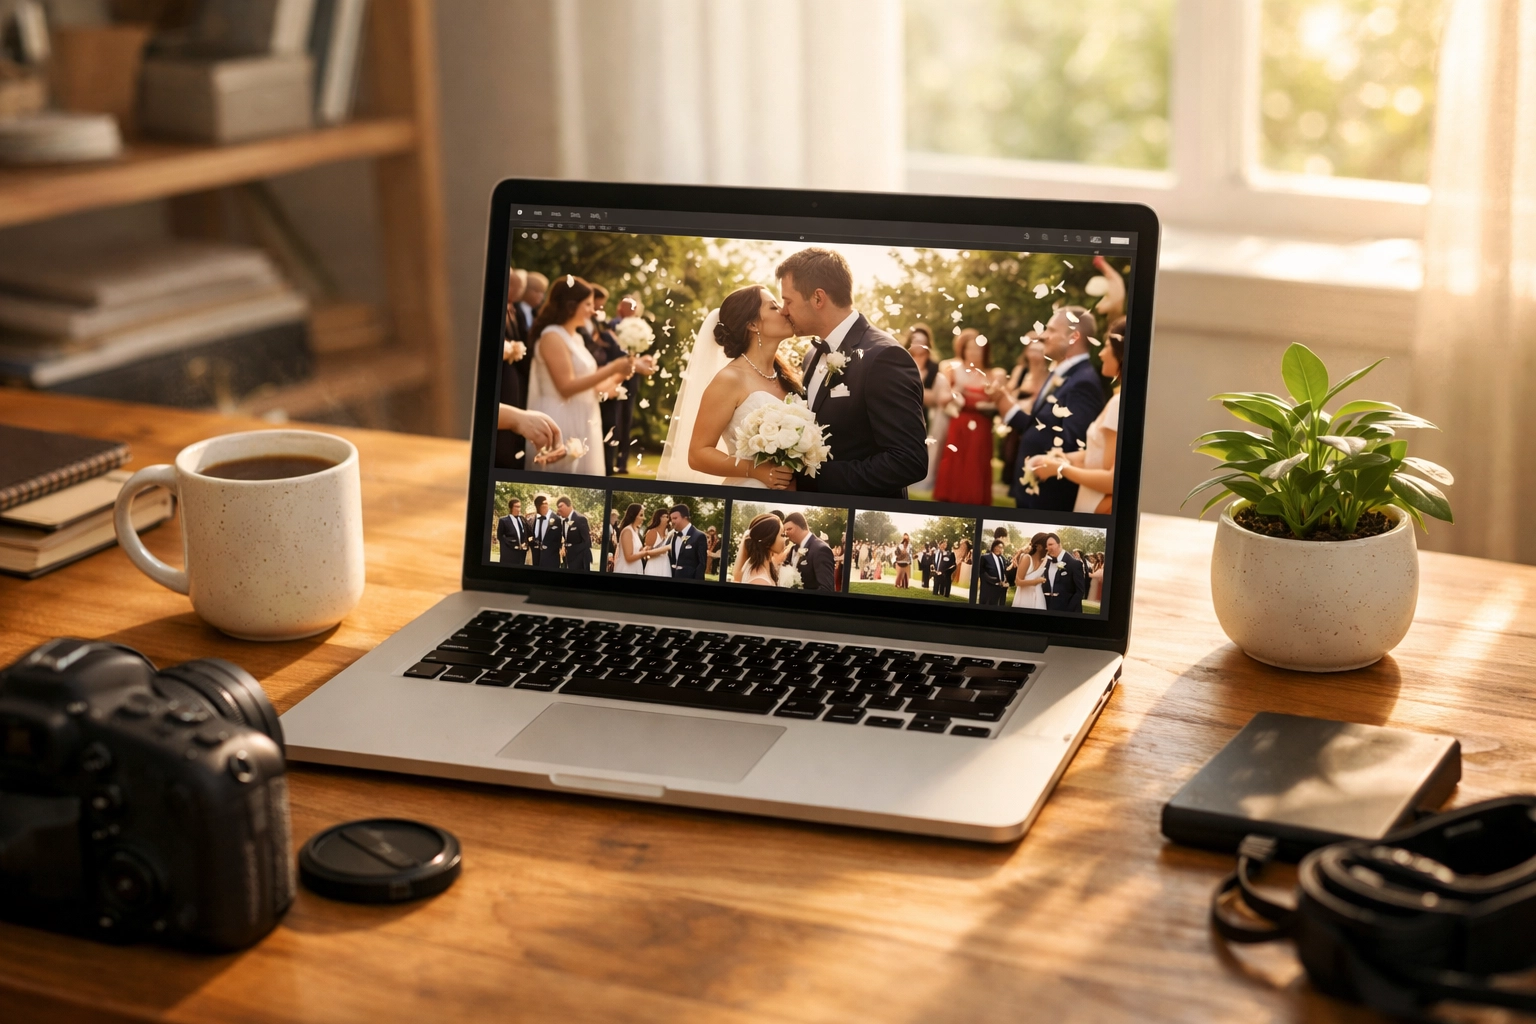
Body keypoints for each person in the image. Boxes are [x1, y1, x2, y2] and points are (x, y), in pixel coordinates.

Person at [774, 248, 928, 498]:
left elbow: (909, 461)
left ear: (818, 298)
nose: (783, 310)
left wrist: (812, 480)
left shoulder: (885, 357)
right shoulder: (812, 355)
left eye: (788, 301)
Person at [667, 285, 801, 488]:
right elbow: (697, 454)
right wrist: (754, 469)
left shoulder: (789, 377)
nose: (784, 311)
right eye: (773, 307)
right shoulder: (729, 379)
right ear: (753, 325)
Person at [992, 306, 1106, 510]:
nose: (1043, 336)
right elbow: (1038, 427)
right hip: (1031, 494)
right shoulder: (1060, 373)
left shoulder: (1083, 383)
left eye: (1052, 330)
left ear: (1073, 337)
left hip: (1049, 498)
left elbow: (1071, 446)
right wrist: (1002, 401)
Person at [526, 275, 635, 475]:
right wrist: (612, 367)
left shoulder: (575, 337)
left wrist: (623, 373)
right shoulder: (552, 336)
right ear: (570, 305)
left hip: (584, 417)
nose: (592, 311)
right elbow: (566, 388)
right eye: (587, 304)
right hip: (560, 418)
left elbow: (595, 387)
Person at [1027, 318, 1124, 515]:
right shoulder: (1117, 399)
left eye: (1106, 347)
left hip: (1097, 505)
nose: (1102, 353)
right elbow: (1100, 455)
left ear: (1121, 354)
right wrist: (1062, 457)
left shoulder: (1117, 403)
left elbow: (1112, 480)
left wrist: (1060, 469)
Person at [933, 328, 1002, 505]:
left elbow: (999, 403)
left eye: (977, 349)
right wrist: (957, 391)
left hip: (982, 426)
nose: (973, 353)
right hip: (960, 424)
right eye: (969, 348)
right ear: (963, 350)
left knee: (976, 464)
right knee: (955, 463)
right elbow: (942, 399)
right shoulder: (953, 371)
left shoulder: (993, 374)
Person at [906, 324, 951, 493]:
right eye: (915, 340)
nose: (919, 345)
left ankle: (922, 482)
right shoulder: (901, 360)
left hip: (928, 418)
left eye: (922, 342)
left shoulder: (935, 368)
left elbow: (938, 398)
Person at [495, 268, 533, 468]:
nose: (519, 290)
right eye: (515, 286)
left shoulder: (515, 310)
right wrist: (509, 349)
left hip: (516, 377)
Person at [1000, 333, 1048, 485]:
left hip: (1034, 419)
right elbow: (1010, 391)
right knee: (1011, 454)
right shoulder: (1020, 371)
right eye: (1031, 348)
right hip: (1017, 417)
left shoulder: (1048, 373)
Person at [606, 294, 645, 473]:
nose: (630, 310)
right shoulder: (611, 325)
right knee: (613, 421)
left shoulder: (639, 327)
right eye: (626, 306)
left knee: (626, 421)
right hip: (612, 379)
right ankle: (610, 460)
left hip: (632, 382)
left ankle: (623, 463)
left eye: (633, 307)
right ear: (619, 308)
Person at [783, 512, 835, 591]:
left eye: (789, 529)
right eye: (785, 531)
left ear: (802, 527)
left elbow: (826, 589)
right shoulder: (792, 549)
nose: (786, 534)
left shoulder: (820, 549)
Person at [612, 503, 669, 575]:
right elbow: (629, 557)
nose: (644, 518)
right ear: (634, 516)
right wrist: (645, 553)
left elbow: (636, 551)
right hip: (626, 570)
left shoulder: (635, 531)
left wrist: (645, 549)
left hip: (636, 569)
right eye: (641, 515)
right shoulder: (627, 531)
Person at [1041, 533, 1087, 613]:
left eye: (1051, 544)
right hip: (1049, 607)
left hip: (1068, 610)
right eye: (1047, 546)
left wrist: (1068, 609)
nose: (1048, 548)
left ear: (1059, 544)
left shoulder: (1074, 564)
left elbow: (1080, 591)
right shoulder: (1047, 563)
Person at [740, 513, 786, 586]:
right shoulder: (759, 581)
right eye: (782, 535)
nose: (785, 539)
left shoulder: (764, 564)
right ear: (768, 541)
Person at [667, 504, 708, 579]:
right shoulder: (674, 536)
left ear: (685, 518)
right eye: (671, 519)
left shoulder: (699, 536)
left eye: (675, 518)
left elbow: (702, 564)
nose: (672, 521)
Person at [1012, 532, 1050, 610]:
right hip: (1024, 598)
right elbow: (1018, 582)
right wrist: (1036, 581)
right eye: (1047, 546)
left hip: (1038, 598)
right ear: (1039, 547)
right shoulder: (1027, 558)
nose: (1048, 549)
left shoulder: (1046, 560)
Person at [528, 494, 561, 568]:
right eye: (542, 504)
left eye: (546, 503)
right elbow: (530, 536)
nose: (545, 506)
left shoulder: (557, 520)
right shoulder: (532, 520)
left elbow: (559, 539)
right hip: (536, 561)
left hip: (551, 561)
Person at [494, 497, 529, 565]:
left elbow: (527, 533)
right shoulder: (504, 521)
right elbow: (500, 536)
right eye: (516, 507)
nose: (519, 509)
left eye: (519, 507)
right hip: (509, 554)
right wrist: (512, 545)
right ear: (511, 507)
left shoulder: (522, 520)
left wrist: (525, 542)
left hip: (521, 554)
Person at [977, 539, 1011, 606]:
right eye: (1000, 547)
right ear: (994, 547)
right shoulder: (985, 558)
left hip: (1001, 590)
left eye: (1002, 548)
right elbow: (982, 573)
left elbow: (1005, 571)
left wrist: (1005, 582)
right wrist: (996, 580)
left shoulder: (1003, 559)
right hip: (988, 590)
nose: (1001, 549)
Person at [642, 508, 672, 578]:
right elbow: (647, 554)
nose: (668, 519)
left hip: (665, 564)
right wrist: (665, 548)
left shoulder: (669, 532)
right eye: (666, 517)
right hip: (654, 565)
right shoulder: (652, 532)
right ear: (659, 518)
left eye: (668, 517)